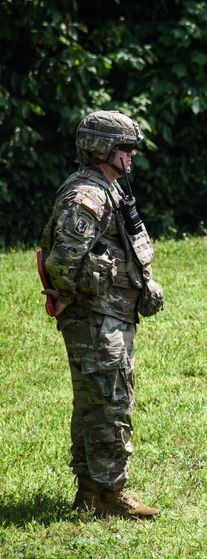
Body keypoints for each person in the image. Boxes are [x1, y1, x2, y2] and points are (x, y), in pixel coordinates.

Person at [39, 110, 165, 519]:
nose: (131, 156)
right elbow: (61, 264)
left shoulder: (107, 189)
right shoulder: (87, 197)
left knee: (94, 403)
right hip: (96, 319)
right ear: (101, 149)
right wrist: (93, 293)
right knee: (111, 403)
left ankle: (90, 492)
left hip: (107, 316)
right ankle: (112, 496)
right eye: (125, 149)